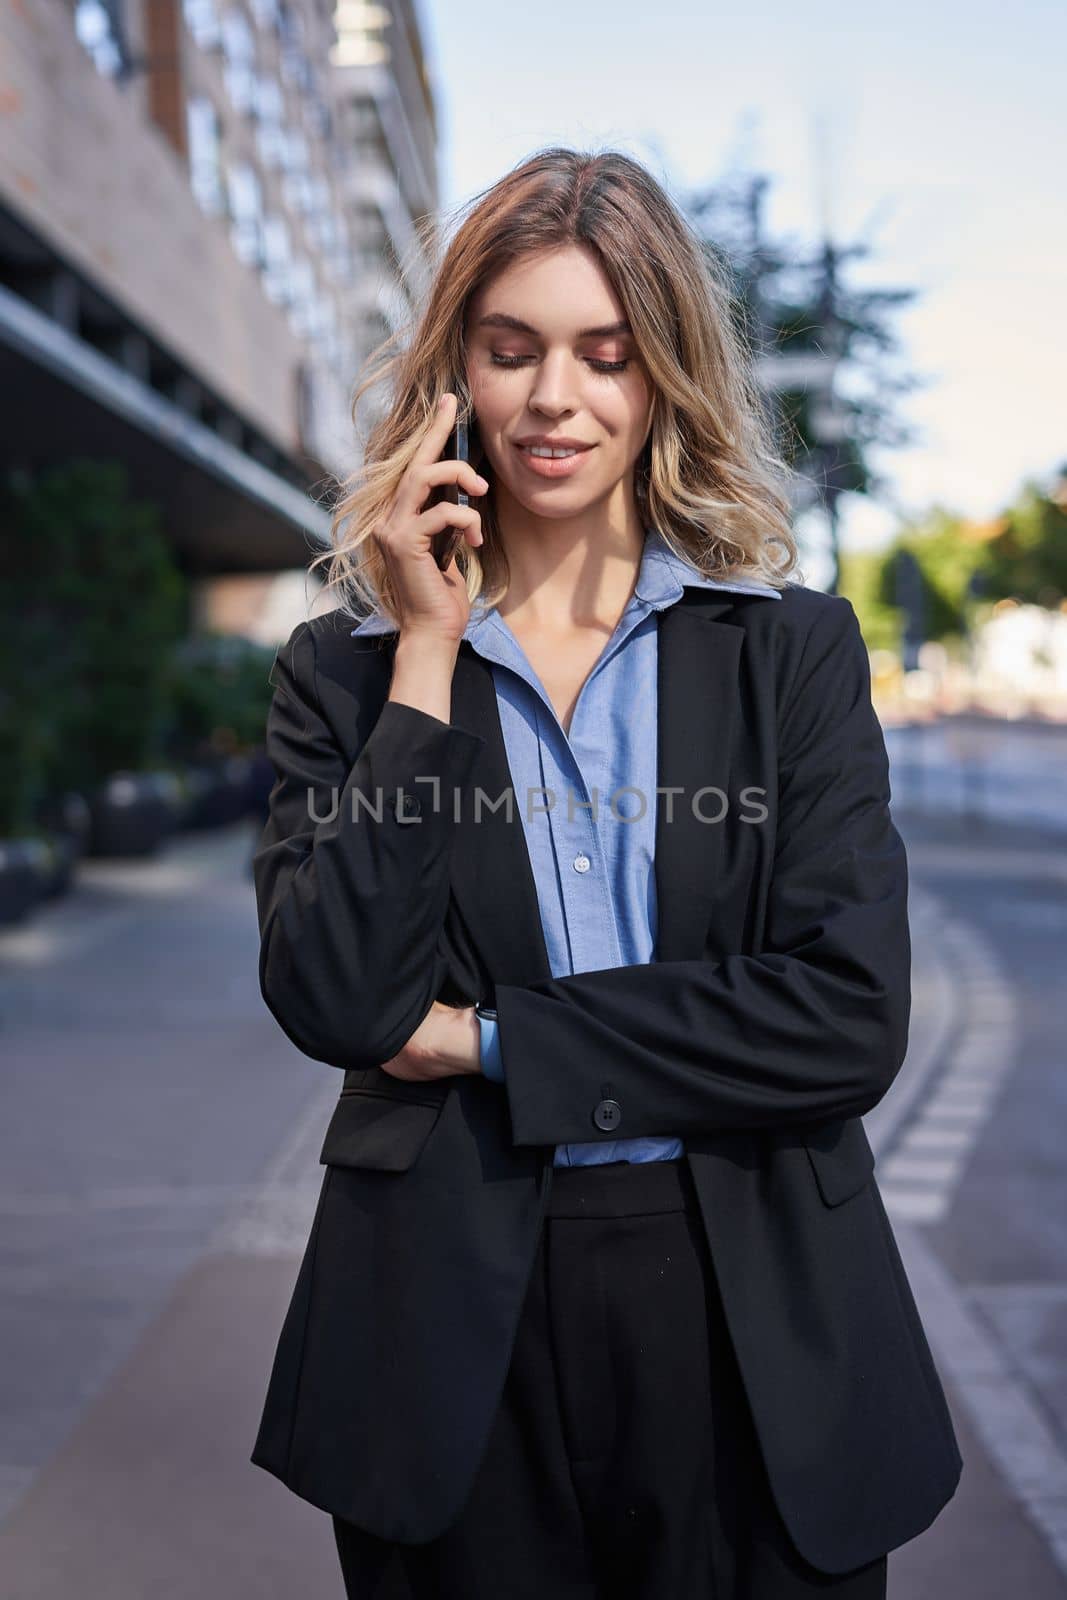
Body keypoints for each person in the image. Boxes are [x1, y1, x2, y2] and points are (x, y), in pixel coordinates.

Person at [249, 147, 962, 1599]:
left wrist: (502, 1042)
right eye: (511, 352)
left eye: (606, 355)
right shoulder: (348, 676)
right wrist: (429, 658)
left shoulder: (791, 652)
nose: (555, 400)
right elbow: (340, 999)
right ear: (455, 374)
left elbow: (843, 1017)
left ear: (665, 376)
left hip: (750, 1305)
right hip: (448, 1328)